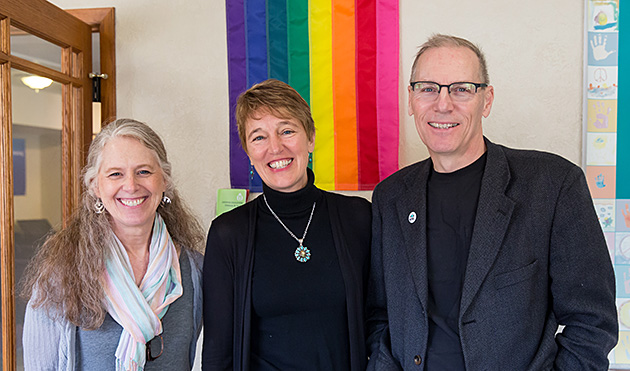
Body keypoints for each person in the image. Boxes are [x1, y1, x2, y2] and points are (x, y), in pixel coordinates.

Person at [367, 34, 617, 370]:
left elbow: (592, 321)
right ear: (411, 100)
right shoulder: (390, 196)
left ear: (486, 100)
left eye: (461, 88)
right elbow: (380, 315)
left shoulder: (553, 184)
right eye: (427, 88)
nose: (443, 104)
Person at [202, 79, 371, 370]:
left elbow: (382, 322)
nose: (275, 148)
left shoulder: (358, 218)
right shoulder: (228, 233)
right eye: (259, 137)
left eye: (287, 131)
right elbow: (219, 353)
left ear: (311, 138)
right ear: (248, 152)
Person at [21, 118, 205, 370]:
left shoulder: (194, 270)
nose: (130, 185)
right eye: (115, 174)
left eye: (144, 171)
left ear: (165, 180)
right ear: (95, 186)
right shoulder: (61, 271)